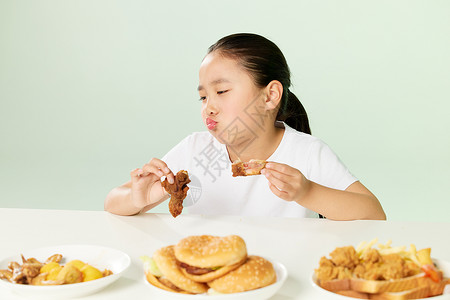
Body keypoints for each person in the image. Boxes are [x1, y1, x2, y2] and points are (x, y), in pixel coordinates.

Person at [104, 33, 386, 220]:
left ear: (270, 96)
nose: (208, 106)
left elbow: (373, 213)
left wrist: (308, 192)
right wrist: (139, 197)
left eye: (222, 92)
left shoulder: (307, 152)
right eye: (203, 97)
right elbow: (112, 202)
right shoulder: (196, 150)